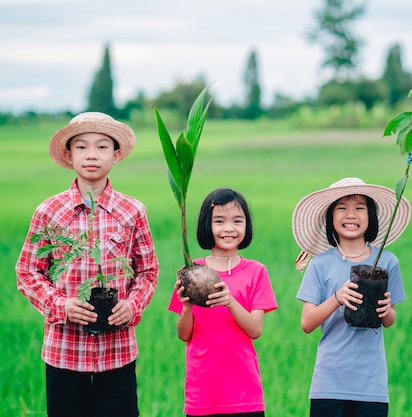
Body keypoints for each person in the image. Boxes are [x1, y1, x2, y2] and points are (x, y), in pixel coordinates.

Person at [15, 112, 160, 417]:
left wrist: (133, 306)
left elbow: (148, 270)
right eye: (81, 147)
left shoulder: (132, 211)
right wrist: (61, 305)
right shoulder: (49, 211)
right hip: (64, 352)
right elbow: (28, 272)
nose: (91, 155)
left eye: (102, 147)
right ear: (69, 155)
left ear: (116, 155)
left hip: (117, 352)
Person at [292, 177, 411, 417]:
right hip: (328, 385)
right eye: (342, 208)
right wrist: (337, 298)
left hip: (371, 385)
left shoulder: (387, 261)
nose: (351, 215)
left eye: (359, 208)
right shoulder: (321, 264)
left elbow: (390, 320)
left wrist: (387, 310)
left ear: (371, 216)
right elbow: (307, 323)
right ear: (330, 217)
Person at [169, 187, 278, 417]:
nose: (229, 228)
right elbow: (183, 334)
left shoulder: (256, 271)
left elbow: (255, 329)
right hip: (203, 393)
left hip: (245, 395)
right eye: (219, 221)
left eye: (237, 221)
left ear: (246, 226)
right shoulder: (191, 271)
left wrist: (230, 302)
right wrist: (187, 306)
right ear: (206, 225)